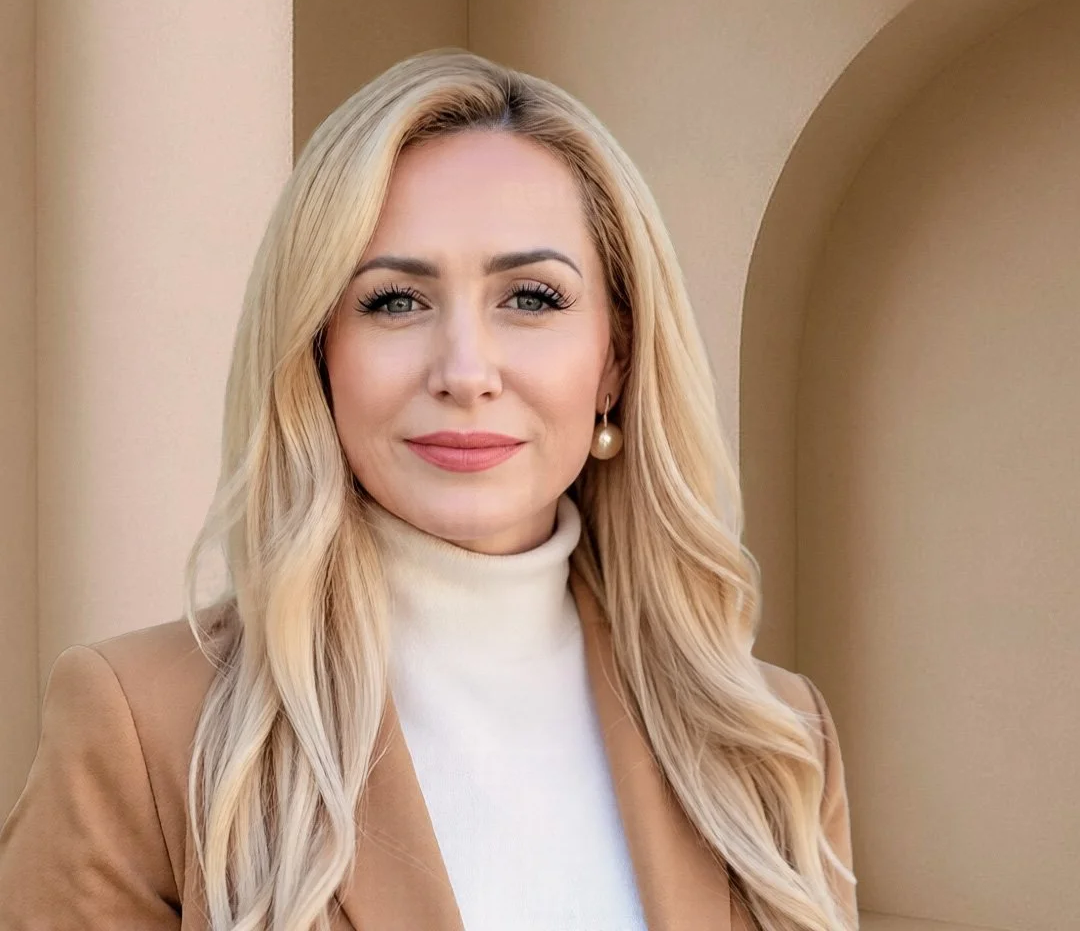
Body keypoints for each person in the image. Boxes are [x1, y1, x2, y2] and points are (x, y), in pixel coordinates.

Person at [0, 49, 857, 931]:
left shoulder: (775, 741)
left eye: (531, 297)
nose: (466, 371)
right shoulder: (142, 727)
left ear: (616, 360)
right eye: (396, 302)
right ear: (318, 354)